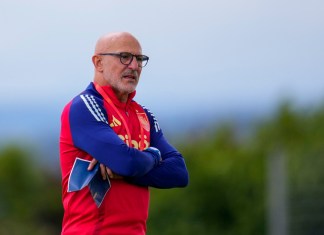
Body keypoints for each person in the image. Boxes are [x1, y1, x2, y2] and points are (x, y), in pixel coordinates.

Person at [59, 32, 189, 235]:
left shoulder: (143, 115)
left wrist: (132, 168)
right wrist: (154, 155)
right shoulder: (84, 106)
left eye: (139, 59)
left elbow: (179, 172)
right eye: (124, 57)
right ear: (98, 62)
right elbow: (126, 162)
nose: (134, 66)